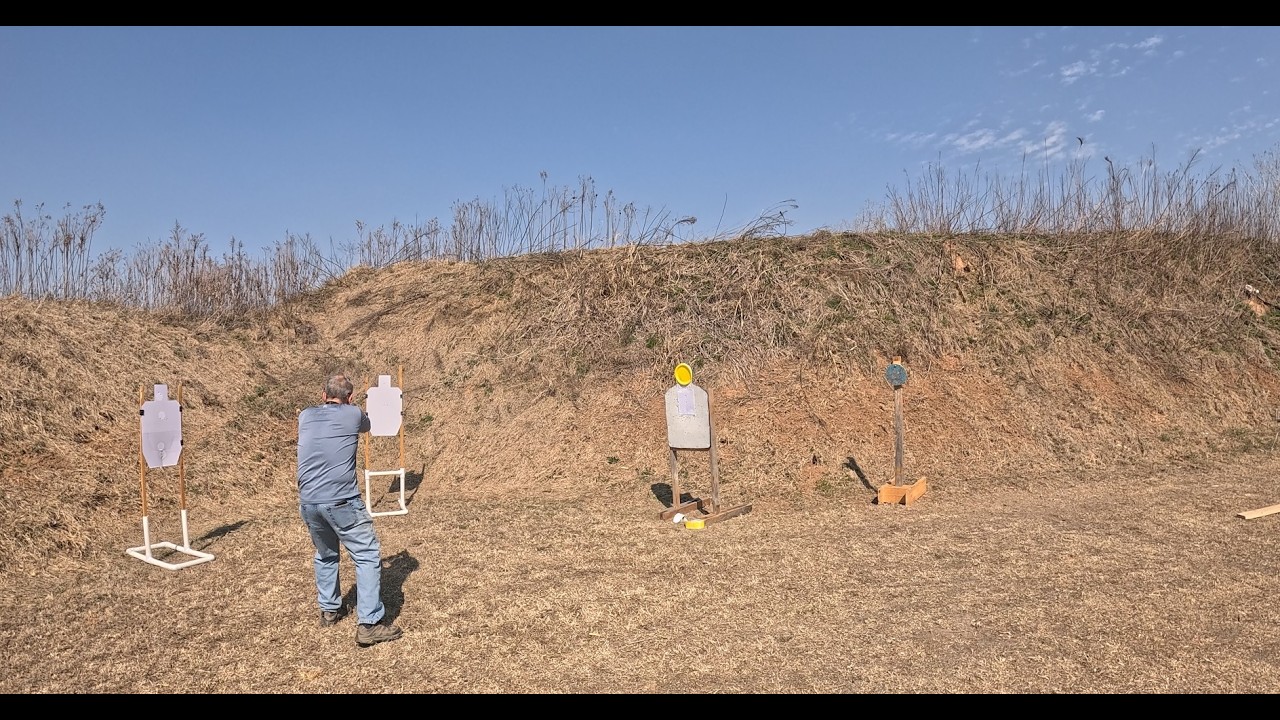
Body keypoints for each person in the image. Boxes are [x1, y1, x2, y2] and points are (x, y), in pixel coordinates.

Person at [296, 373, 403, 647]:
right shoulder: (354, 414)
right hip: (342, 500)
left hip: (309, 502)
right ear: (351, 398)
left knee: (326, 554)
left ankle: (330, 610)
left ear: (323, 394)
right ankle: (369, 624)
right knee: (367, 557)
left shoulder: (305, 416)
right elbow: (368, 424)